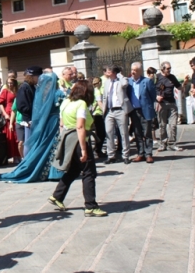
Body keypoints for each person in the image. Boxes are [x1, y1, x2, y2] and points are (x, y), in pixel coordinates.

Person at [49, 79, 107, 217]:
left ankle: (57, 196)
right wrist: (84, 149)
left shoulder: (66, 102)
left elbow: (62, 123)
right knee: (89, 172)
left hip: (68, 138)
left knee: (74, 170)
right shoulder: (81, 104)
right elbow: (80, 126)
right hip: (79, 139)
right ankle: (90, 205)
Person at [103, 66, 132, 164]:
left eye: (108, 71)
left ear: (113, 72)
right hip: (109, 111)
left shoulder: (121, 80)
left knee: (123, 133)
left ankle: (126, 155)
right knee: (108, 132)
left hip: (120, 109)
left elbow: (125, 84)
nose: (106, 72)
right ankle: (111, 155)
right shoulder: (107, 82)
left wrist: (119, 75)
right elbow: (105, 96)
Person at [128, 62, 157, 163]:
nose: (133, 72)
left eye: (135, 71)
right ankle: (140, 153)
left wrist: (147, 105)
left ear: (140, 71)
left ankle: (148, 154)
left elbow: (153, 96)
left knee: (147, 132)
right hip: (134, 111)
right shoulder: (129, 82)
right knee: (137, 133)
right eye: (132, 70)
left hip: (145, 110)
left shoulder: (147, 81)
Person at [15, 68, 42, 159]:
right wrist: (31, 115)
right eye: (38, 76)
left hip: (34, 119)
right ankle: (28, 163)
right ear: (32, 77)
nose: (39, 78)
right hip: (29, 120)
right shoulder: (24, 87)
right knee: (29, 144)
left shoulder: (33, 86)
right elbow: (21, 106)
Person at [156, 62, 183, 151]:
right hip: (161, 104)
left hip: (172, 104)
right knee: (162, 125)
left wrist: (184, 85)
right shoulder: (157, 77)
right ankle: (163, 143)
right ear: (162, 69)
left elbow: (179, 87)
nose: (169, 70)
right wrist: (156, 97)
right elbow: (151, 89)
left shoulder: (172, 77)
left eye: (170, 68)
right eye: (167, 68)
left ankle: (172, 143)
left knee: (173, 125)